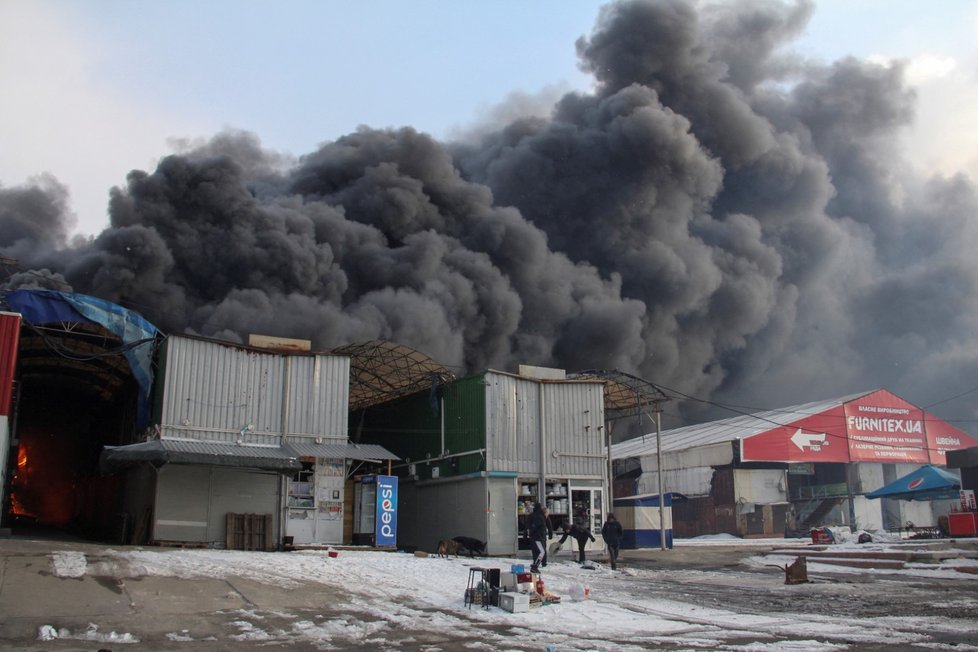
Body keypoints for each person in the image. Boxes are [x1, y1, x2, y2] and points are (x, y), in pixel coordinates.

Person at [526, 502, 552, 573]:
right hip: (538, 538)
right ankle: (535, 566)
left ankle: (535, 565)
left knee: (540, 552)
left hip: (538, 537)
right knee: (542, 552)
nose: (547, 515)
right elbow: (535, 526)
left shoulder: (538, 516)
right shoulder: (540, 517)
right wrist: (531, 533)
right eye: (547, 513)